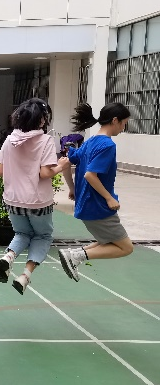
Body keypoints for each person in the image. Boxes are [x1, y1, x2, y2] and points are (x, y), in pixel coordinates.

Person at [0, 98, 66, 294]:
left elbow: (0, 171)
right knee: (43, 236)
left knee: (22, 233)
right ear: (41, 119)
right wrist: (61, 166)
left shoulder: (9, 140)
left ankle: (8, 257)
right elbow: (45, 173)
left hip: (13, 200)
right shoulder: (45, 141)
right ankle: (25, 275)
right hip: (38, 201)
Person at [56, 102, 133, 282]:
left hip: (86, 204)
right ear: (115, 120)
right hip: (98, 206)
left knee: (108, 241)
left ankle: (74, 254)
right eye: (124, 123)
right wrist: (109, 198)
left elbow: (65, 163)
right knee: (126, 247)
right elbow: (90, 175)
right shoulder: (107, 145)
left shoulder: (90, 142)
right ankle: (76, 256)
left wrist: (73, 189)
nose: (123, 128)